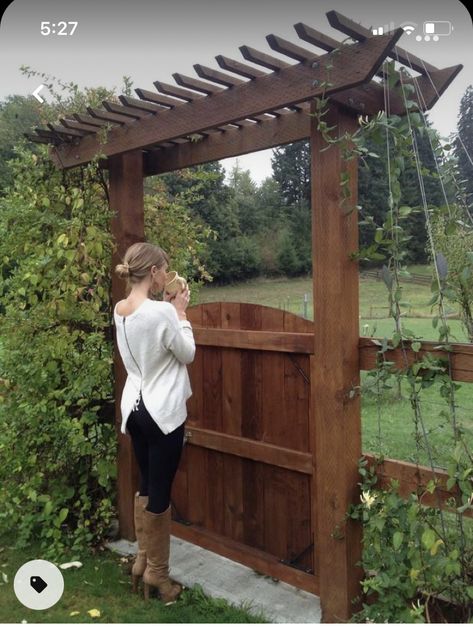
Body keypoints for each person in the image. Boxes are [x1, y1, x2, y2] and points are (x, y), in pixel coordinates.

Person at [114, 241, 195, 604]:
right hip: (161, 412)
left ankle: (142, 564)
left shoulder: (121, 309)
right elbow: (187, 353)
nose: (167, 274)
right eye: (164, 269)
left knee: (147, 482)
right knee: (160, 490)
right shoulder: (162, 312)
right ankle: (159, 578)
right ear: (153, 273)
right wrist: (181, 313)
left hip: (133, 409)